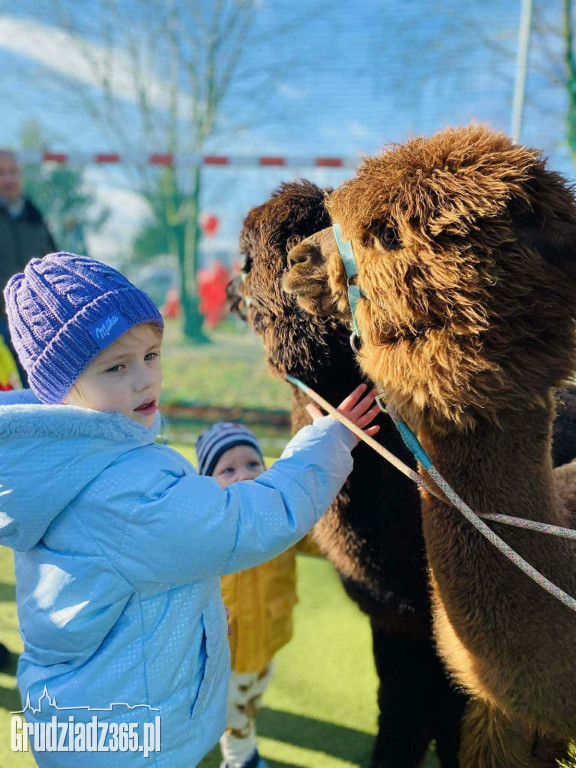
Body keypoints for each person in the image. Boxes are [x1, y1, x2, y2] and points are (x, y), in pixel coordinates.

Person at [0, 251, 380, 767]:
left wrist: (191, 613)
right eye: (116, 366)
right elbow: (244, 522)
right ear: (60, 389)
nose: (144, 379)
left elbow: (124, 580)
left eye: (151, 355)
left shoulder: (63, 465)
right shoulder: (123, 491)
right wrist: (326, 443)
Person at [197, 423, 293, 768]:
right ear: (208, 482)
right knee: (234, 713)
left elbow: (317, 533)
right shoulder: (204, 530)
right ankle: (241, 760)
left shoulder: (282, 517)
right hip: (226, 651)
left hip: (265, 640)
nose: (244, 475)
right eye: (228, 470)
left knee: (251, 697)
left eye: (253, 464)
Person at [0, 150, 57, 385]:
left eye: (13, 172)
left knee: (41, 385)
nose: (8, 179)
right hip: (1, 321)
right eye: (1, 173)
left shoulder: (35, 218)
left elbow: (52, 263)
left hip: (35, 320)